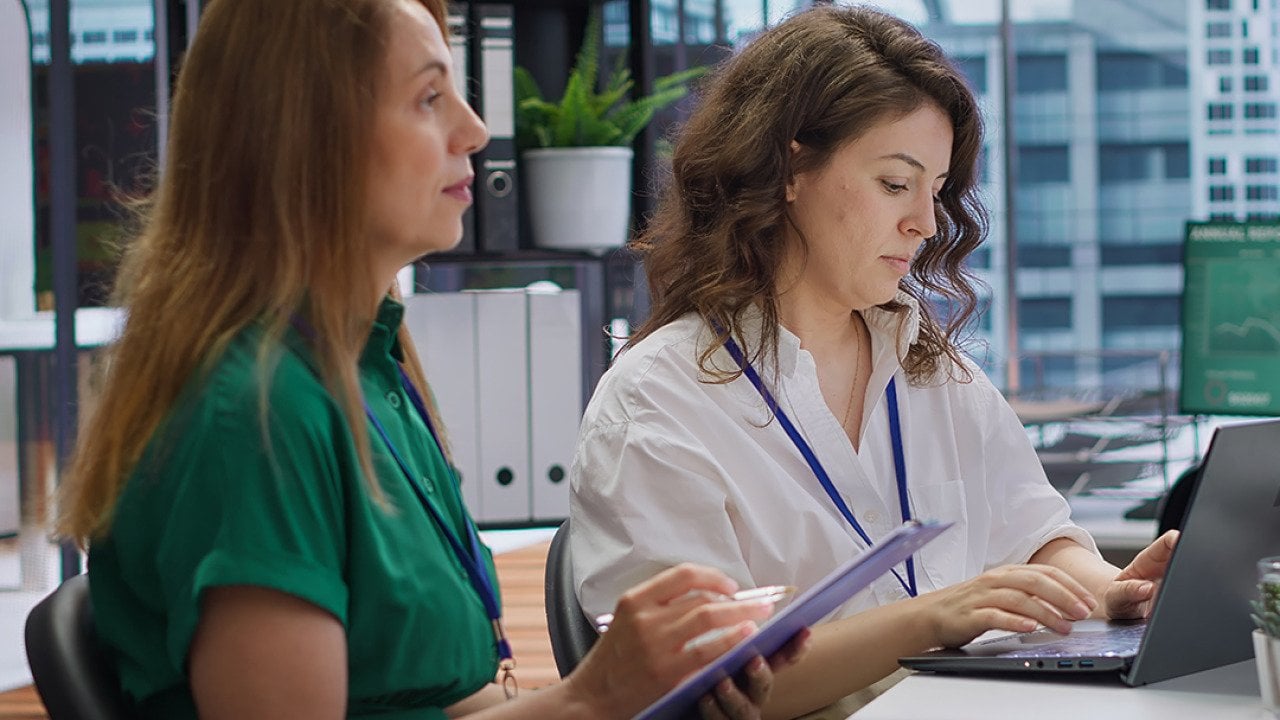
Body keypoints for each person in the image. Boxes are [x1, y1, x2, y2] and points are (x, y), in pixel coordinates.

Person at [53, 1, 808, 718]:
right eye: (428, 99)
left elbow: (445, 698)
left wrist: (646, 691)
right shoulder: (249, 415)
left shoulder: (369, 372)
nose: (475, 130)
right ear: (305, 136)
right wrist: (594, 697)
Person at [568, 5, 1178, 719]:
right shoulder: (657, 404)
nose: (926, 221)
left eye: (936, 189)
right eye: (896, 183)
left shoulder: (931, 371)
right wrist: (929, 620)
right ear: (791, 167)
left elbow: (1034, 537)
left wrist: (1108, 591)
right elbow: (700, 688)